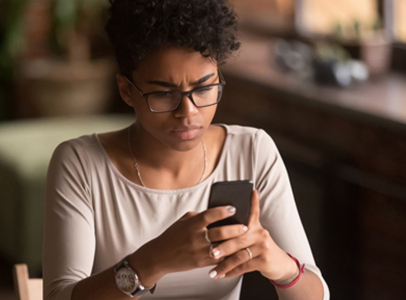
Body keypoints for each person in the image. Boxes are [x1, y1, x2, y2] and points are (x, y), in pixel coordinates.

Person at [42, 0, 330, 299]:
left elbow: (317, 293)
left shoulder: (251, 152)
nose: (188, 112)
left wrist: (280, 266)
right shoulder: (81, 163)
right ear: (126, 90)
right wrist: (152, 261)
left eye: (204, 88)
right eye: (165, 94)